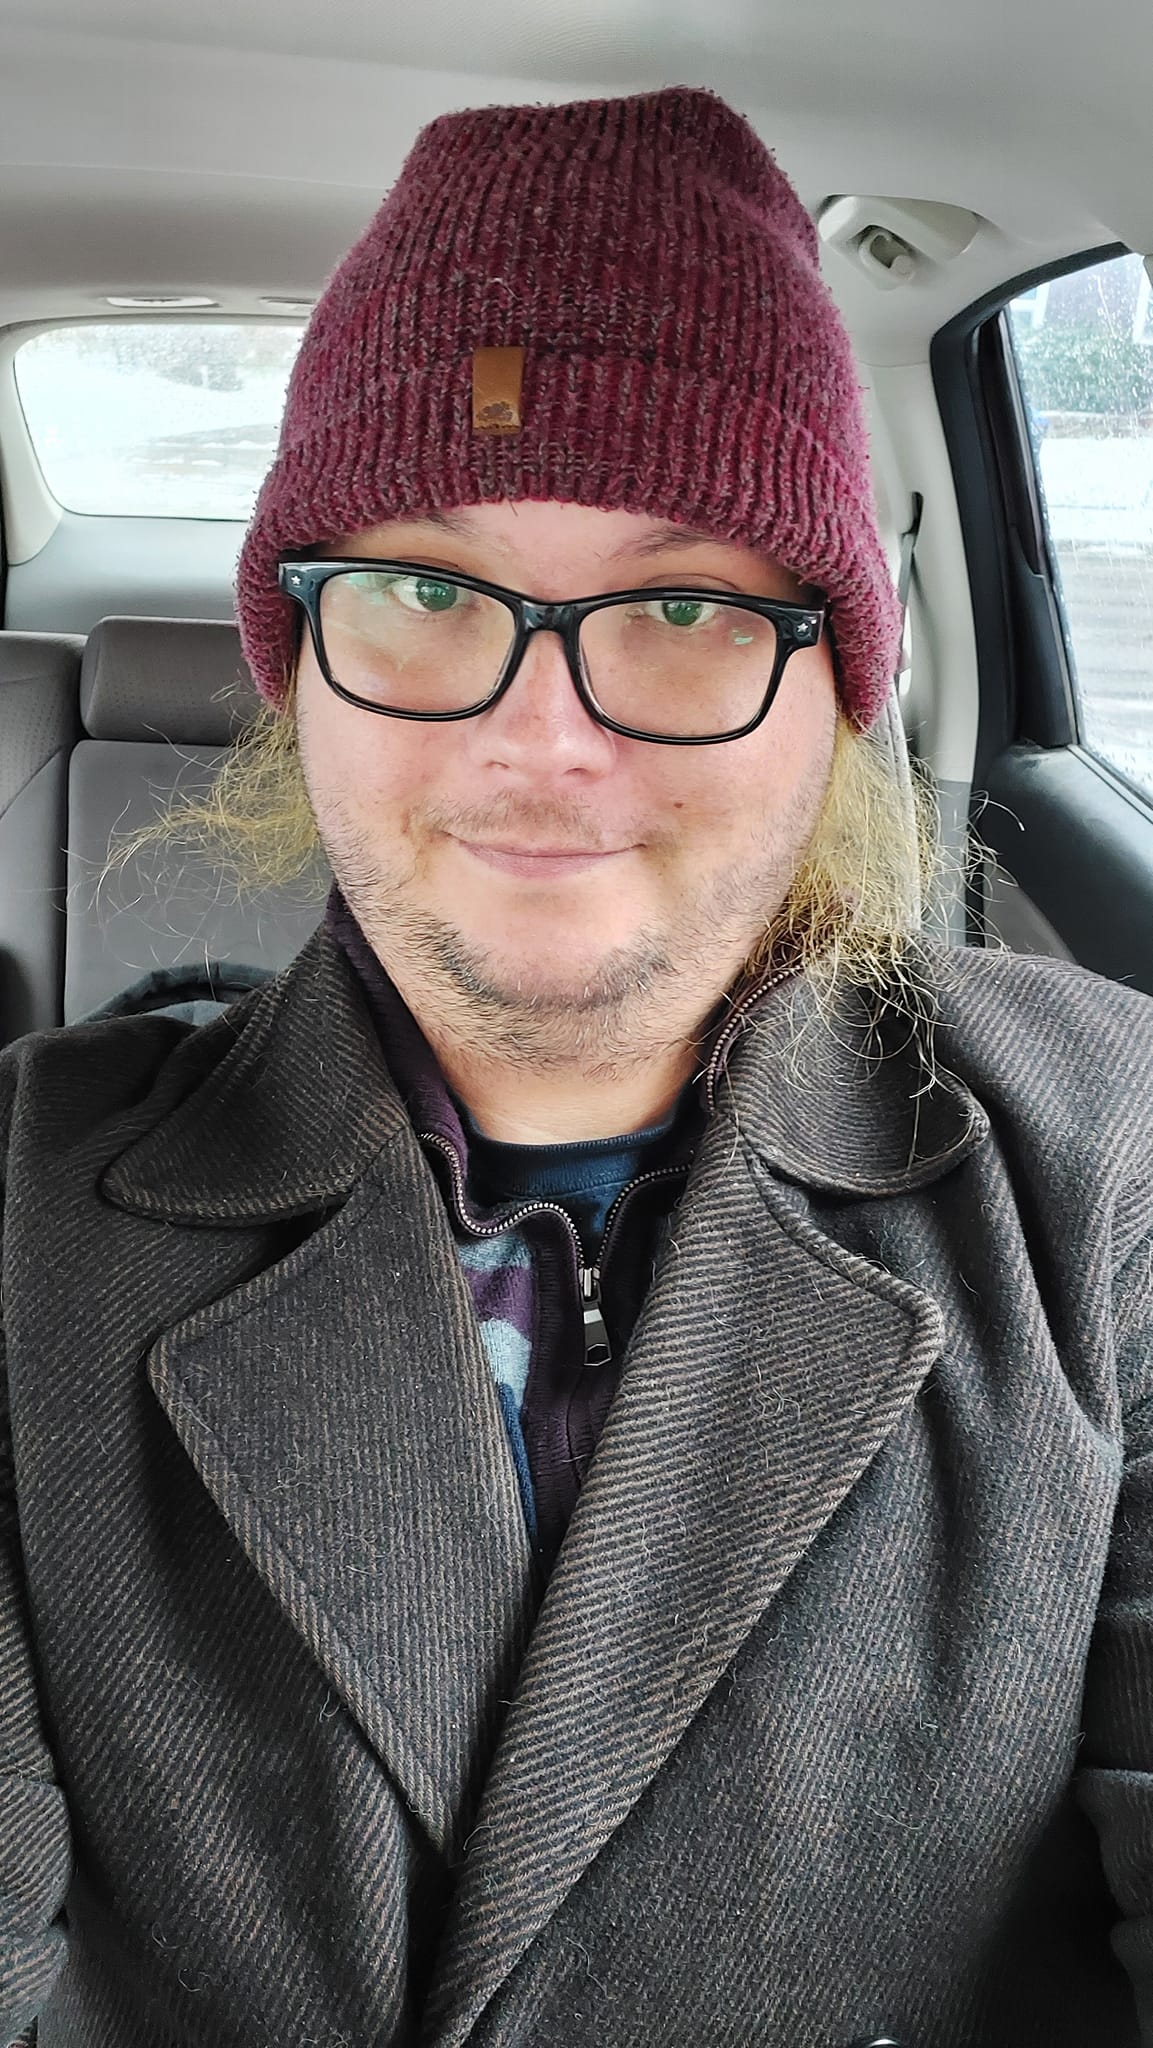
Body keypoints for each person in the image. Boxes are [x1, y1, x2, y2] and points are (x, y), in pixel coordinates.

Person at [1, 83, 1151, 2048]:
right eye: (433, 593)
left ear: (838, 681)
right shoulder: (23, 1224)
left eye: (687, 604)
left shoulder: (1112, 1169)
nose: (544, 741)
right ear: (299, 662)